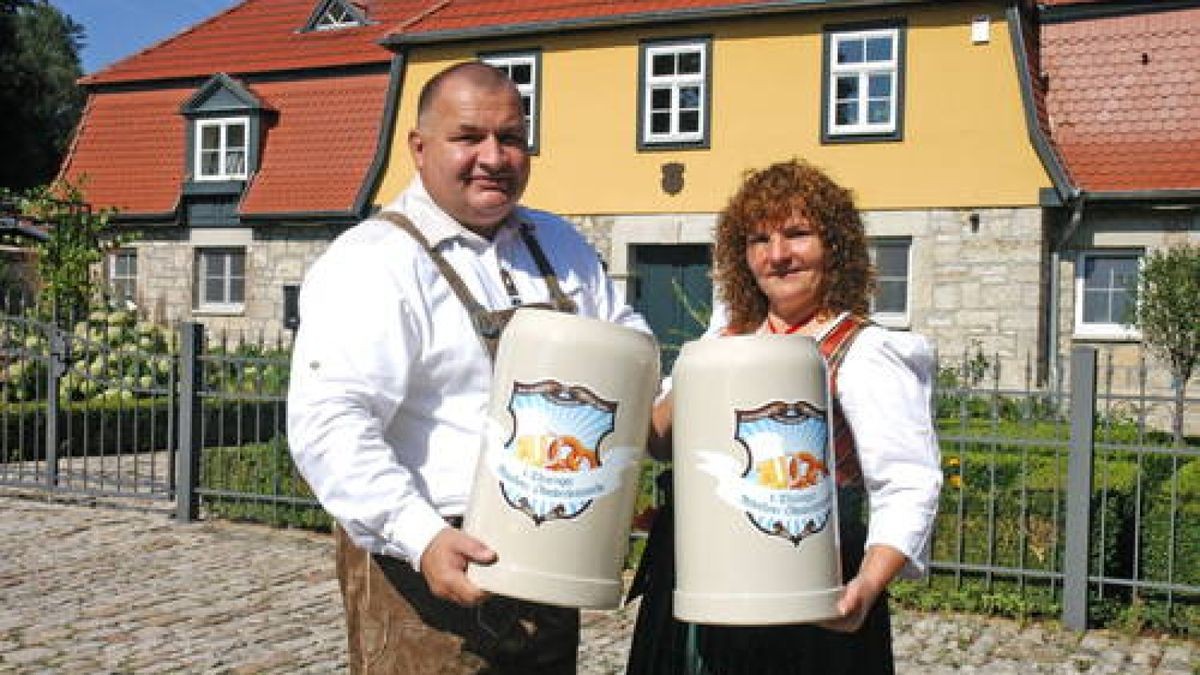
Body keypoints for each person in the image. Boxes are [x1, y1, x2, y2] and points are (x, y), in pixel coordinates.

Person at [287, 61, 648, 674]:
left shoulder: (559, 244)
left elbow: (630, 352)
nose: (495, 156)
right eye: (469, 137)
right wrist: (421, 536)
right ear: (420, 147)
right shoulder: (373, 261)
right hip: (428, 564)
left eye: (511, 137)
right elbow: (330, 424)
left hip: (551, 551)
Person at [626, 158, 942, 674]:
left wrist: (864, 587)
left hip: (808, 580)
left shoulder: (864, 351)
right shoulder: (724, 338)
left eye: (797, 234)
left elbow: (907, 482)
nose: (777, 256)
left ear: (834, 247)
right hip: (696, 577)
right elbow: (660, 442)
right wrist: (705, 360)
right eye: (758, 240)